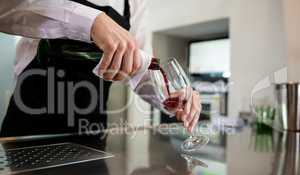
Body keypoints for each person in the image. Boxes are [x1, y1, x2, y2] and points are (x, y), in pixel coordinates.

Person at [0, 0, 201, 139]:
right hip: (31, 119)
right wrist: (90, 21)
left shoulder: (135, 3)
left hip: (91, 128)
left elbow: (141, 69)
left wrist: (170, 97)